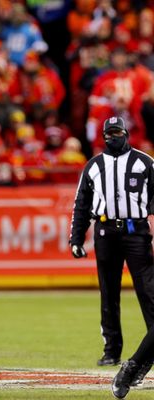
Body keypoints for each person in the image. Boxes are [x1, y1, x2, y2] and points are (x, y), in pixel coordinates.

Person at [69, 116, 154, 376]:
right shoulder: (93, 166)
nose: (112, 137)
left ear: (126, 133)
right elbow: (81, 204)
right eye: (108, 133)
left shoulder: (144, 162)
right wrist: (76, 238)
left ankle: (151, 348)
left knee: (148, 290)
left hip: (136, 231)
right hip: (105, 230)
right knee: (108, 292)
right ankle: (111, 350)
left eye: (117, 132)